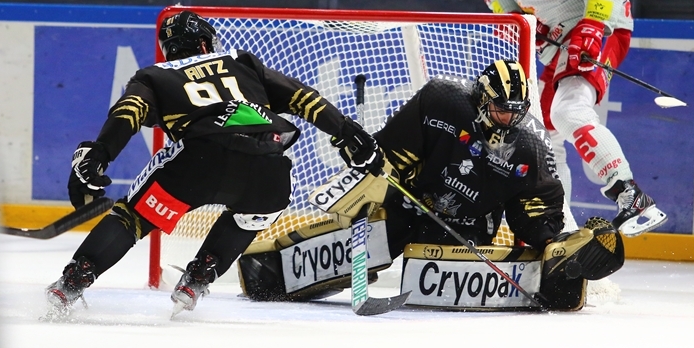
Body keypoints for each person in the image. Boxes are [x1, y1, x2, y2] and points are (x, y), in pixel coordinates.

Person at [46, 10, 382, 318]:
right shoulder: (241, 61)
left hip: (197, 165)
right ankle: (200, 275)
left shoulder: (154, 75)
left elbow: (128, 113)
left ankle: (73, 282)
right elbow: (302, 97)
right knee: (254, 215)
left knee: (133, 217)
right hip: (267, 169)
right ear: (205, 43)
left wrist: (100, 155)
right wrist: (347, 132)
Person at [238, 60, 624, 310]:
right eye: (500, 109)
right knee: (364, 242)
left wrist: (551, 241)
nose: (508, 119)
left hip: (466, 231)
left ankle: (560, 279)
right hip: (408, 206)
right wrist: (373, 184)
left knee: (442, 282)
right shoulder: (442, 101)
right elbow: (391, 152)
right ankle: (269, 267)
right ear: (481, 99)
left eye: (516, 112)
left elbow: (534, 210)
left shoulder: (529, 148)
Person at [483, 0, 667, 237]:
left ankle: (629, 194)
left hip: (602, 25)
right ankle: (558, 223)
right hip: (559, 36)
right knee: (543, 133)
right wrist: (521, 24)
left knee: (568, 112)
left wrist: (591, 28)